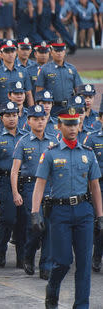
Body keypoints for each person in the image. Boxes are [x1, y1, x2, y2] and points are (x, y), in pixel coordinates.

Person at [33, 106, 102, 309]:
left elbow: (95, 186)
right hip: (59, 212)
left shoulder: (88, 154)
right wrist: (35, 212)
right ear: (59, 126)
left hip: (83, 212)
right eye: (68, 124)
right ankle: (52, 288)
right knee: (62, 261)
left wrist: (100, 216)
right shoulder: (51, 154)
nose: (73, 128)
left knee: (84, 264)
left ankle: (81, 305)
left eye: (76, 124)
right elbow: (40, 184)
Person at [11, 105, 56, 280]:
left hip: (50, 188)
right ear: (28, 121)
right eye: (35, 119)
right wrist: (15, 192)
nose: (39, 122)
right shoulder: (23, 142)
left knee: (49, 229)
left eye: (42, 118)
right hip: (30, 188)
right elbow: (14, 171)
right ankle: (28, 254)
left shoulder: (53, 141)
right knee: (35, 227)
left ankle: (45, 265)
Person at [0, 101, 24, 268]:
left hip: (24, 182)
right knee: (8, 218)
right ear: (1, 118)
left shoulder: (25, 137)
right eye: (7, 115)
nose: (11, 118)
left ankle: (21, 256)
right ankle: (1, 249)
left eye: (14, 115)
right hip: (4, 182)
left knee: (23, 220)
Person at [0, 39, 33, 125]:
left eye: (12, 51)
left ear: (16, 52)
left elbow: (29, 94)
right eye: (7, 51)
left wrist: (32, 114)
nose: (10, 54)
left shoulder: (23, 71)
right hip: (3, 113)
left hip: (21, 114)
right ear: (1, 54)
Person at [35, 38, 82, 116]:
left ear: (64, 52)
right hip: (52, 108)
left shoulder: (71, 69)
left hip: (69, 107)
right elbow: (39, 92)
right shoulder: (44, 69)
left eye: (61, 51)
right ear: (51, 52)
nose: (59, 53)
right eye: (56, 51)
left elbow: (79, 90)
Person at [83, 101, 103, 273]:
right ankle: (97, 255)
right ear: (100, 119)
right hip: (98, 185)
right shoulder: (92, 137)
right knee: (99, 222)